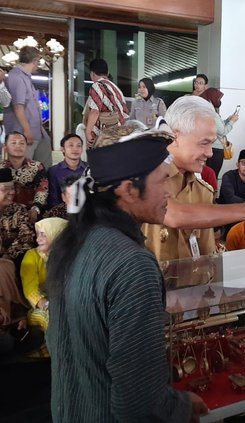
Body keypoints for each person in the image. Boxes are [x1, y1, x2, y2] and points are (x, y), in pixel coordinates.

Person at [46, 128, 208, 422]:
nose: (168, 192)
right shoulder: (133, 265)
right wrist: (180, 407)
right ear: (129, 190)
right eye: (162, 181)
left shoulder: (72, 241)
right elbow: (137, 400)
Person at [140, 97, 245, 262]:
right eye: (204, 143)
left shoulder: (203, 191)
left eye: (212, 144)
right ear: (175, 136)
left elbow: (205, 253)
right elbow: (174, 214)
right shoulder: (143, 175)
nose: (210, 153)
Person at [20, 217, 67, 357]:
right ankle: (62, 355)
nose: (37, 239)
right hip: (39, 308)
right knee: (51, 317)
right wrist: (47, 305)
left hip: (64, 304)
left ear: (57, 235)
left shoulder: (68, 256)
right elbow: (30, 290)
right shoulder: (32, 256)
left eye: (43, 234)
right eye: (38, 234)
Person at [3, 47, 52, 168]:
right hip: (23, 133)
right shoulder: (17, 76)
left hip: (37, 131)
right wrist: (27, 131)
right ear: (35, 60)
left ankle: (44, 186)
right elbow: (18, 107)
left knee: (43, 166)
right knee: (24, 169)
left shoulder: (26, 77)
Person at [1, 131, 48, 222]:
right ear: (5, 148)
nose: (18, 146)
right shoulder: (1, 167)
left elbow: (42, 190)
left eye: (22, 143)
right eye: (14, 143)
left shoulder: (37, 167)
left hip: (29, 213)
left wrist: (35, 209)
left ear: (26, 147)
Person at [83, 58, 129, 148]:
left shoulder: (97, 86)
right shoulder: (116, 88)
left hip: (104, 136)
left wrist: (88, 132)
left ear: (92, 74)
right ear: (107, 73)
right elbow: (125, 112)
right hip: (118, 134)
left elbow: (95, 111)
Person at [0, 168, 35, 270]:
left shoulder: (19, 210)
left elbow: (27, 238)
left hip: (12, 263)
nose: (11, 192)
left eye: (12, 188)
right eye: (5, 188)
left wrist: (8, 256)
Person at [200, 87, 239, 177]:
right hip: (216, 149)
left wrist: (228, 120)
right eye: (218, 98)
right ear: (211, 97)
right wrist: (232, 121)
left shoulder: (206, 110)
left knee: (208, 175)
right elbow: (222, 131)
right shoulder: (211, 112)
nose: (219, 100)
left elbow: (217, 127)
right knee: (212, 176)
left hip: (210, 146)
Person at [47, 133, 87, 208]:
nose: (75, 149)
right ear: (63, 149)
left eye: (79, 145)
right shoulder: (53, 171)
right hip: (63, 211)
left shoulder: (89, 168)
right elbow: (53, 199)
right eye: (71, 145)